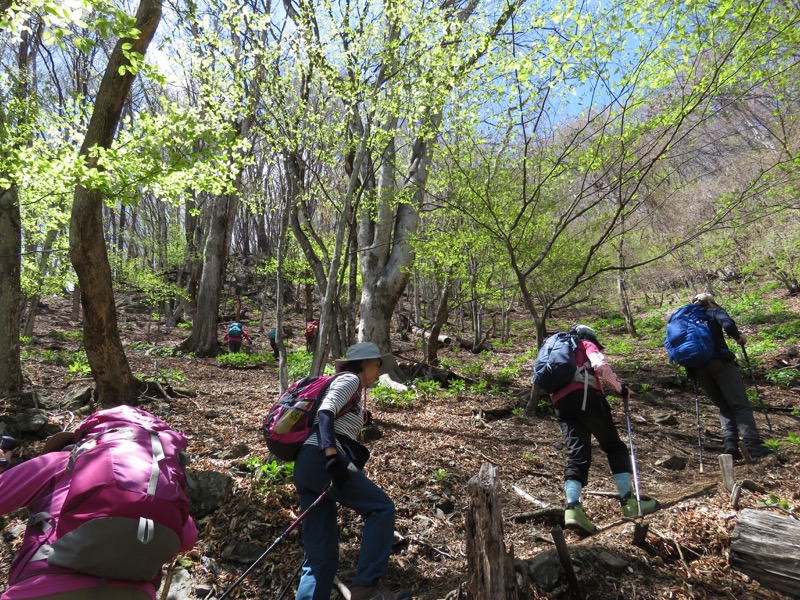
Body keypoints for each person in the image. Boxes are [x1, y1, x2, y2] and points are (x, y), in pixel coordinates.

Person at [0, 411, 198, 600]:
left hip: (46, 584)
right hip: (135, 592)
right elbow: (187, 540)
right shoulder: (163, 483)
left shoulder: (59, 462)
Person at [292, 342, 410, 600]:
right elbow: (325, 413)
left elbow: (333, 416)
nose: (378, 373)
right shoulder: (349, 379)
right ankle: (366, 588)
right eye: (377, 365)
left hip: (307, 467)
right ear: (365, 363)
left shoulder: (353, 390)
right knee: (381, 508)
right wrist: (332, 456)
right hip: (321, 461)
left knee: (320, 555)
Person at [549, 324, 659, 534]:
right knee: (614, 447)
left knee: (577, 455)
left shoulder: (559, 350)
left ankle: (572, 509)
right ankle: (629, 502)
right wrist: (620, 388)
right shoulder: (584, 344)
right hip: (587, 396)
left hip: (561, 403)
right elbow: (600, 365)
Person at [688, 293, 769, 460]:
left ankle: (731, 446)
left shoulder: (687, 318)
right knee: (740, 405)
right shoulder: (713, 310)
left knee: (724, 406)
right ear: (710, 302)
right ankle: (755, 448)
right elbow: (727, 323)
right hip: (720, 362)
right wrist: (738, 338)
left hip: (697, 368)